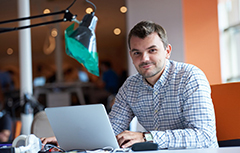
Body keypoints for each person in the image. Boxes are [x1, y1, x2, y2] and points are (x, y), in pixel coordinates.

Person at [41, 21, 218, 149]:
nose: (145, 59)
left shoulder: (190, 77)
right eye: (137, 53)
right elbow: (109, 130)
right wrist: (67, 140)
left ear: (167, 51)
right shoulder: (131, 86)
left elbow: (203, 135)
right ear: (131, 55)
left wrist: (146, 137)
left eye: (152, 50)